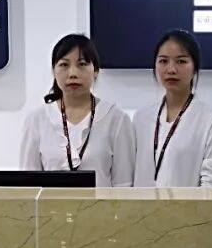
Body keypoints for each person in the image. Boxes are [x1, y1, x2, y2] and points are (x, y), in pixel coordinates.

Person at [20, 33, 135, 187]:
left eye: (82, 64)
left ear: (95, 71)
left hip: (101, 203)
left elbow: (123, 184)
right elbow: (28, 186)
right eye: (64, 65)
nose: (73, 73)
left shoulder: (116, 119)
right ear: (54, 71)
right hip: (51, 204)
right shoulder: (37, 120)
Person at [133, 30, 212, 188]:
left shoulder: (211, 119)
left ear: (195, 67)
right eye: (163, 61)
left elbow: (211, 181)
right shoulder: (141, 118)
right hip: (141, 204)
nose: (171, 69)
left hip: (188, 204)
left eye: (181, 61)